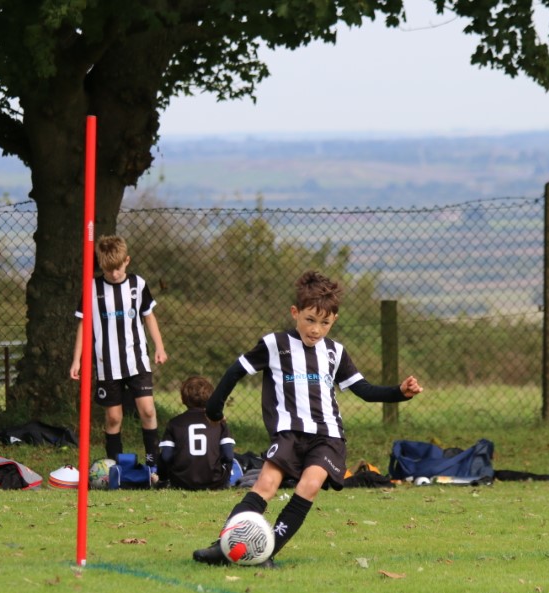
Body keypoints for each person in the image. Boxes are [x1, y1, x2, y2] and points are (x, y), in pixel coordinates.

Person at [192, 270, 423, 567]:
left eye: (325, 323)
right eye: (310, 320)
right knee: (266, 484)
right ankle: (225, 545)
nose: (316, 329)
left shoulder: (335, 352)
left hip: (328, 436)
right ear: (295, 313)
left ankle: (266, 551)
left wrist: (399, 392)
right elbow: (236, 369)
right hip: (288, 432)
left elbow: (364, 390)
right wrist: (214, 408)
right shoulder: (275, 344)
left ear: (334, 321)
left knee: (310, 485)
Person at [70, 234, 168, 467]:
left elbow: (149, 316)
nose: (113, 274)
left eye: (117, 268)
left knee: (148, 411)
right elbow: (83, 324)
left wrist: (159, 347)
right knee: (114, 417)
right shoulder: (92, 287)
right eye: (108, 269)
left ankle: (153, 465)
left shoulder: (138, 284)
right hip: (107, 364)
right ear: (101, 265)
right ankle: (113, 467)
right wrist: (77, 360)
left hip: (137, 361)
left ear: (127, 261)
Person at [158, 375, 237, 490]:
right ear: (211, 397)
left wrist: (164, 478)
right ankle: (224, 483)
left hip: (180, 482)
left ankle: (163, 482)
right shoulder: (219, 422)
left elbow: (166, 456)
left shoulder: (174, 423)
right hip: (215, 482)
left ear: (183, 398)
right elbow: (228, 456)